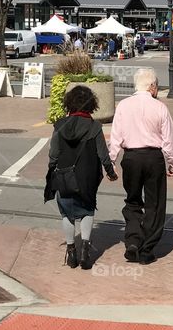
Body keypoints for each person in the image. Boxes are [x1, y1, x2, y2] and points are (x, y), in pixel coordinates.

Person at [108, 68, 173, 265]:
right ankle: (146, 249)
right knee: (154, 204)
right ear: (152, 87)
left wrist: (110, 161)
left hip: (131, 157)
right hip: (153, 158)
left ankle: (132, 240)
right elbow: (169, 141)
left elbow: (115, 137)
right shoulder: (160, 107)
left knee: (132, 200)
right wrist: (172, 163)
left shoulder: (123, 105)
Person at [44, 86, 118, 270]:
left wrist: (52, 169)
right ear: (91, 104)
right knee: (87, 210)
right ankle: (85, 249)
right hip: (87, 177)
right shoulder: (94, 127)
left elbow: (53, 154)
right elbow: (103, 154)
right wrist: (110, 172)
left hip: (64, 176)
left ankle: (71, 251)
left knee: (66, 213)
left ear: (69, 102)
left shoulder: (60, 126)